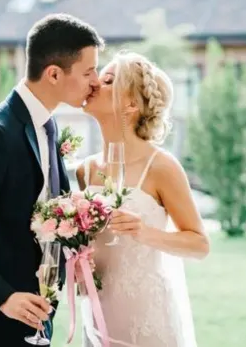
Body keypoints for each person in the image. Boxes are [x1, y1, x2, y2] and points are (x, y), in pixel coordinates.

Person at [0, 13, 104, 347]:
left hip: (39, 315)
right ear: (54, 73)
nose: (95, 82)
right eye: (88, 72)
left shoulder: (47, 126)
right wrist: (3, 298)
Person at [76, 51, 210, 347]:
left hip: (148, 321)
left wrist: (144, 232)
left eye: (109, 80)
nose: (96, 82)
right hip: (97, 318)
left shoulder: (162, 167)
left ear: (132, 104)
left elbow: (200, 244)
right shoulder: (85, 171)